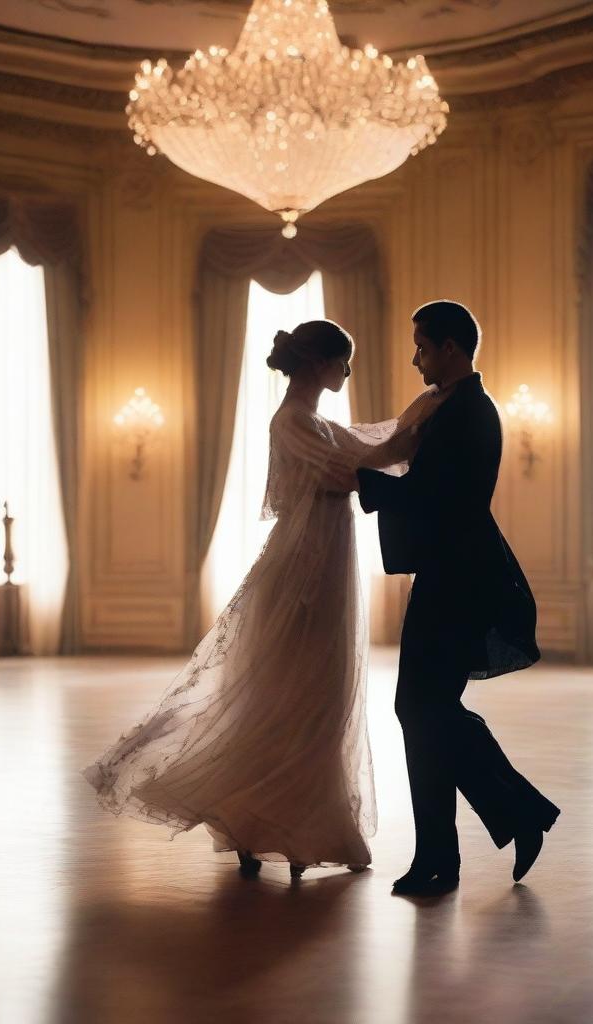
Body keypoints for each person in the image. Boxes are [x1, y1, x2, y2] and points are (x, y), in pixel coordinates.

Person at [83, 319, 445, 878]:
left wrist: (423, 414)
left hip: (328, 560)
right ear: (320, 364)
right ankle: (270, 823)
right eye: (343, 361)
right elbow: (346, 472)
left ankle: (298, 824)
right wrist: (416, 426)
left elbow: (379, 451)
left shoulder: (316, 421)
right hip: (305, 564)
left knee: (319, 692)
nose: (348, 372)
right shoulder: (292, 421)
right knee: (294, 689)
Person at [351, 300, 560, 896]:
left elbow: (432, 497)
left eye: (421, 345)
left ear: (449, 346)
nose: (415, 356)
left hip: (462, 581)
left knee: (423, 709)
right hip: (449, 576)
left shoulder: (470, 411)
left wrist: (359, 481)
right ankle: (445, 854)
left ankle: (502, 822)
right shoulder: (453, 407)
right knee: (423, 710)